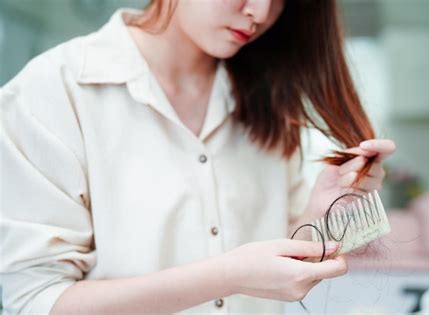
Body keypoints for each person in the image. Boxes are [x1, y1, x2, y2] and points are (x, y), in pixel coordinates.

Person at [0, 0, 396, 314]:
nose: (260, 12)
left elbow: (276, 260)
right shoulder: (52, 94)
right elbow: (36, 302)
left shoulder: (271, 105)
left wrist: (318, 211)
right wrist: (227, 276)